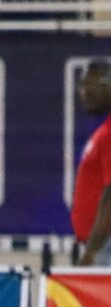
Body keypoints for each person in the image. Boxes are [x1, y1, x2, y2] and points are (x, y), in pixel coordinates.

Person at [73, 58, 111, 266]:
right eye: (81, 85)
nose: (83, 92)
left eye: (89, 84)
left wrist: (92, 253)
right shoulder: (104, 130)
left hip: (104, 247)